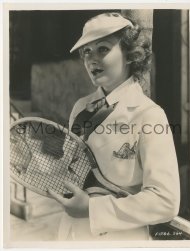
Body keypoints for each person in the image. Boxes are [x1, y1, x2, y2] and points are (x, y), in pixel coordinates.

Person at [48, 12, 180, 241]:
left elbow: (166, 201)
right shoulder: (80, 108)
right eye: (86, 51)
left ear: (130, 54)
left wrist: (92, 209)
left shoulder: (150, 116)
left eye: (103, 49)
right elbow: (70, 170)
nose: (91, 59)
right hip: (71, 236)